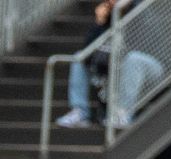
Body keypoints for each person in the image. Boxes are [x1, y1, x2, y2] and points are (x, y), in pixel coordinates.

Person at [56, 0, 164, 134]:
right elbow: (88, 48)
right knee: (79, 57)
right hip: (119, 66)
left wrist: (121, 12)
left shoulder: (141, 10)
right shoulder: (109, 15)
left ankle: (122, 113)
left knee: (133, 58)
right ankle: (79, 112)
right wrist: (100, 23)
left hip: (152, 68)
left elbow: (139, 46)